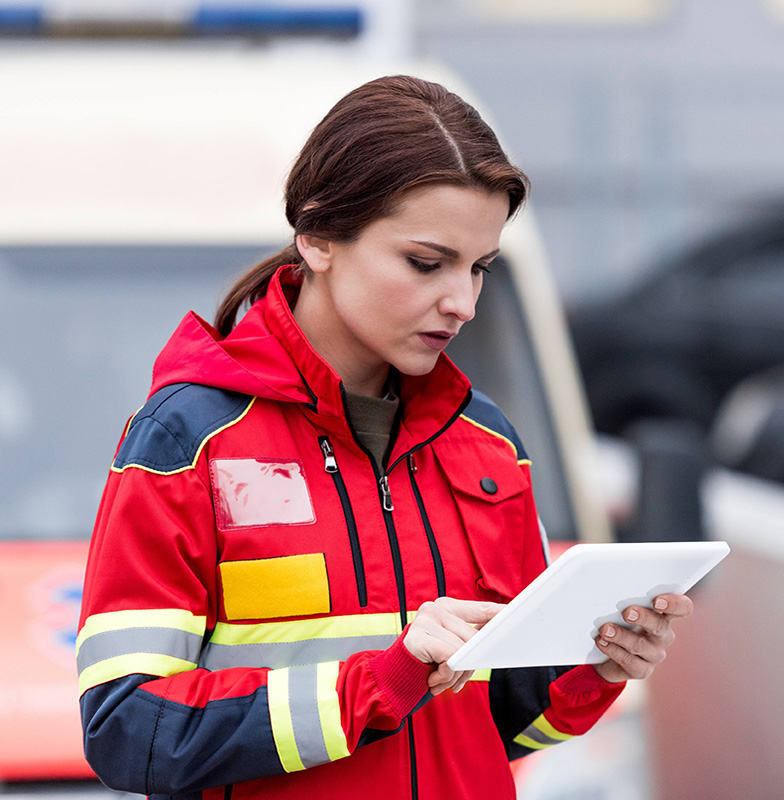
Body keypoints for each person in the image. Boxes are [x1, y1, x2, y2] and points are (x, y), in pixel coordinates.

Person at [77, 75, 692, 800]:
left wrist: (596, 666)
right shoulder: (190, 438)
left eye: (480, 268)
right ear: (316, 236)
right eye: (426, 264)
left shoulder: (490, 445)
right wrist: (378, 682)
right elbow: (126, 732)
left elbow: (487, 725)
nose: (461, 302)